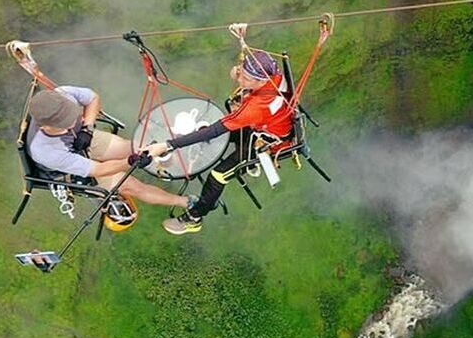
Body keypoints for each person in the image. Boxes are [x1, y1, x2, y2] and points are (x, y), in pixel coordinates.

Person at [148, 49, 293, 235]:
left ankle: (195, 218)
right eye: (242, 72)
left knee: (218, 175)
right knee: (208, 135)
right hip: (266, 125)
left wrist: (168, 145)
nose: (240, 79)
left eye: (247, 78)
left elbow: (216, 129)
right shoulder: (274, 74)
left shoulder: (256, 107)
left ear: (261, 81)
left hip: (264, 143)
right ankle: (188, 152)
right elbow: (246, 67)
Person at [28, 86, 193, 209]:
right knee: (132, 185)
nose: (72, 121)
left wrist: (87, 128)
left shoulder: (62, 95)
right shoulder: (45, 151)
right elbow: (98, 170)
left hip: (82, 138)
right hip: (68, 169)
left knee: (135, 147)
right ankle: (186, 202)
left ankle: (173, 164)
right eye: (64, 123)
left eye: (71, 115)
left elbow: (92, 98)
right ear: (43, 126)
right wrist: (129, 162)